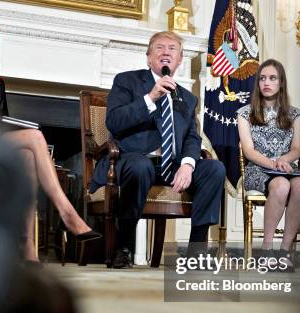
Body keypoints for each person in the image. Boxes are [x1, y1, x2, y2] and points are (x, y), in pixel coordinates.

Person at [0, 15, 100, 262]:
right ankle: (67, 212)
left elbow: (3, 123)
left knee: (26, 154)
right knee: (35, 136)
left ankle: (27, 246)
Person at [90, 31, 225, 268]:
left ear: (180, 59)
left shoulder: (186, 98)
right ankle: (123, 245)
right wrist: (151, 97)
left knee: (214, 168)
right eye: (159, 48)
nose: (166, 52)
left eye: (172, 49)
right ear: (149, 57)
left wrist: (187, 164)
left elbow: (192, 137)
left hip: (170, 165)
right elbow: (114, 121)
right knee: (140, 167)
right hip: (131, 160)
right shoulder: (127, 81)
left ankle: (196, 251)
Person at [237, 58, 300, 270]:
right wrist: (272, 163)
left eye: (272, 78)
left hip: (285, 166)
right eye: (262, 78)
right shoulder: (245, 113)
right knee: (281, 185)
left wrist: (283, 161)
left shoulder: (295, 114)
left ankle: (284, 251)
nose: (267, 83)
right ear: (258, 83)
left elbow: (296, 148)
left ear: (281, 83)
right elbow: (248, 151)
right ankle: (267, 250)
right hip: (258, 168)